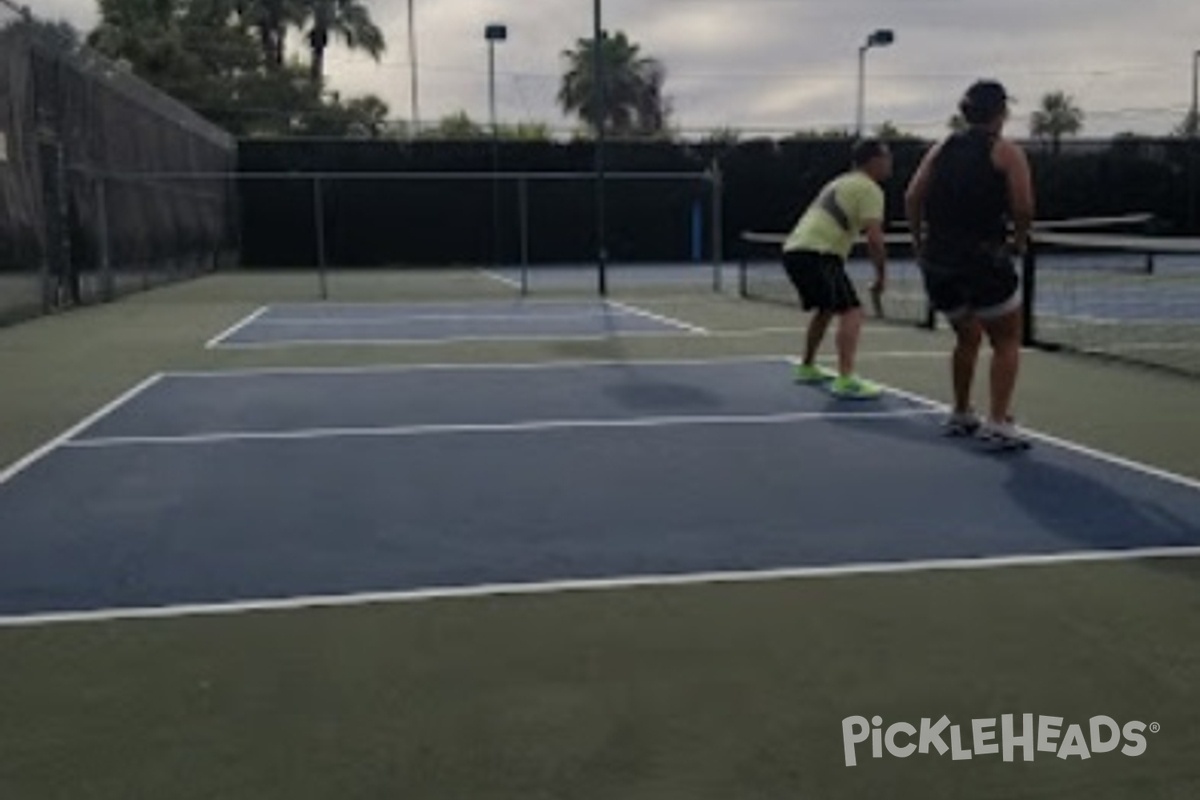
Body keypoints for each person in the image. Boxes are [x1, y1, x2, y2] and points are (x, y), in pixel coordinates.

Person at [904, 80, 1035, 451]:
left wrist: (919, 242)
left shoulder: (942, 147)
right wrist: (1019, 242)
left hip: (940, 262)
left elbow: (912, 196)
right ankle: (998, 422)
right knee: (1007, 339)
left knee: (967, 335)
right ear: (1002, 112)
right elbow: (1024, 207)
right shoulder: (1007, 153)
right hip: (983, 260)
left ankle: (961, 413)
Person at [782, 138, 892, 399]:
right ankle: (846, 379)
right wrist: (880, 278)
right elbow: (875, 239)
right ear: (873, 160)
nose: (890, 163)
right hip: (819, 253)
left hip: (795, 251)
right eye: (886, 158)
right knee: (852, 311)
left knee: (827, 308)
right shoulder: (869, 188)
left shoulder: (840, 181)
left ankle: (807, 367)